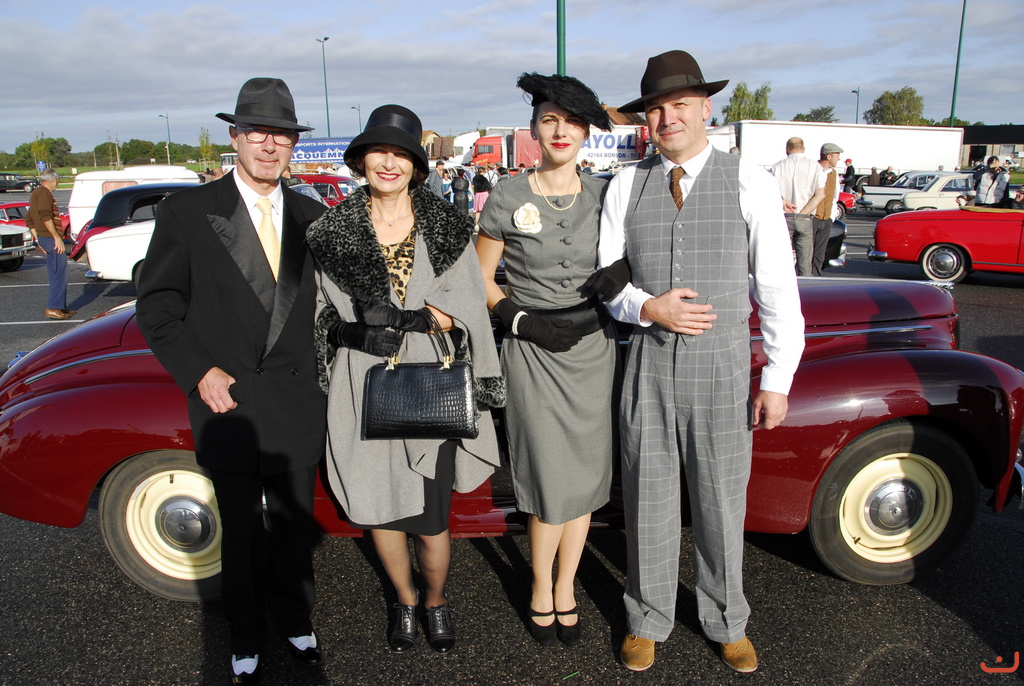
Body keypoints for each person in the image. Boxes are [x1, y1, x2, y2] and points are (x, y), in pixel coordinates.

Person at [599, 49, 804, 674]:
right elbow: (607, 278)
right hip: (649, 364)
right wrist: (646, 307)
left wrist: (777, 378)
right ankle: (646, 618)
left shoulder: (750, 180)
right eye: (656, 109)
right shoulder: (626, 184)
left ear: (705, 109)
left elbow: (777, 285)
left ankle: (727, 619)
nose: (668, 119)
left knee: (720, 500)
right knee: (648, 499)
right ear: (646, 119)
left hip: (723, 367)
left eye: (680, 105)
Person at [135, 78, 328, 685]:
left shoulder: (315, 217)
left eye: (282, 136)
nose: (270, 146)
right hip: (230, 403)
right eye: (258, 133)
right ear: (235, 137)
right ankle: (245, 634)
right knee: (239, 533)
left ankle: (296, 620)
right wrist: (197, 370)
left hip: (297, 399)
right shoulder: (187, 213)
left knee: (295, 526)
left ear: (293, 145)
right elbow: (157, 308)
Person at [306, 104, 505, 655]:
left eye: (401, 154)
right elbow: (318, 313)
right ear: (362, 159)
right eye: (380, 152)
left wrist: (419, 319)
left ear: (416, 165)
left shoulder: (446, 226)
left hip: (429, 382)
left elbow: (469, 302)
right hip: (361, 381)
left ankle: (436, 600)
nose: (389, 163)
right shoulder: (331, 232)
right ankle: (405, 600)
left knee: (430, 518)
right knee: (382, 511)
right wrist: (350, 332)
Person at [476, 72, 623, 648]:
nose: (560, 131)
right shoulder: (508, 195)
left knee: (583, 477)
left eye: (571, 122)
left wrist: (621, 274)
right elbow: (480, 278)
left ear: (586, 132)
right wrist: (518, 318)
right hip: (533, 350)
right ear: (534, 129)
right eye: (549, 120)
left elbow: (636, 254)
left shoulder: (607, 195)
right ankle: (540, 585)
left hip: (590, 349)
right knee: (546, 475)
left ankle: (567, 586)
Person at [770, 137, 825, 276]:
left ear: (787, 149)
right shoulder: (815, 167)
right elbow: (820, 195)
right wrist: (803, 213)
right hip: (805, 217)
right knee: (805, 265)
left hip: (784, 217)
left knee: (782, 262)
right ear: (803, 149)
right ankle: (804, 287)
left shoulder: (777, 167)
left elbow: (769, 192)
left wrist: (783, 202)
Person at [25, 168, 75, 320]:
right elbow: (46, 217)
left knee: (55, 271)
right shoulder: (44, 193)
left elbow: (29, 219)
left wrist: (37, 238)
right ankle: (54, 307)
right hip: (50, 238)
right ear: (53, 180)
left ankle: (60, 306)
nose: (56, 185)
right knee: (60, 272)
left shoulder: (36, 193)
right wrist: (57, 238)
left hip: (44, 237)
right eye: (56, 182)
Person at [812, 143, 843, 275]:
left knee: (820, 252)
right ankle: (804, 277)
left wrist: (831, 216)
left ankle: (815, 276)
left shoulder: (834, 174)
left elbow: (835, 196)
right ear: (829, 156)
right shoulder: (813, 169)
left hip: (826, 218)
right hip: (812, 216)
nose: (839, 158)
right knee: (806, 251)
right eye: (837, 155)